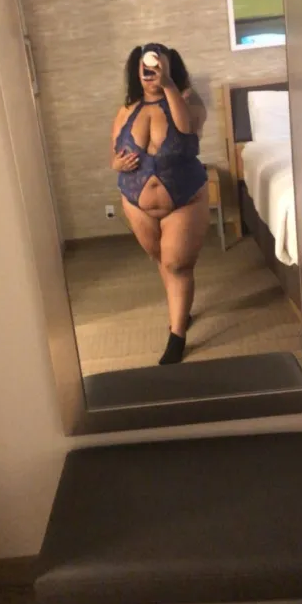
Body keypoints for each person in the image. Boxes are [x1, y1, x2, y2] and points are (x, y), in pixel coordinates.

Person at [111, 43, 209, 365]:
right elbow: (114, 154)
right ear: (137, 71)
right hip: (136, 201)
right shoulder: (127, 110)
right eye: (146, 68)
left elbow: (185, 127)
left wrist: (167, 85)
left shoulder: (189, 100)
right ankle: (180, 312)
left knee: (178, 265)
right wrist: (116, 164)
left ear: (170, 68)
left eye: (158, 67)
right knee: (163, 260)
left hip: (184, 198)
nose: (151, 72)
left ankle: (177, 335)